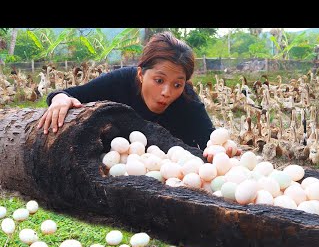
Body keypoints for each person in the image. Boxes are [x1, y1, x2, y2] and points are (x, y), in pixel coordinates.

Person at [37, 31, 239, 161]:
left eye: (177, 84)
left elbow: (210, 141)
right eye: (159, 80)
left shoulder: (187, 102)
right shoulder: (119, 81)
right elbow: (70, 95)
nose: (167, 92)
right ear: (141, 73)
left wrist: (222, 149)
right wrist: (59, 98)